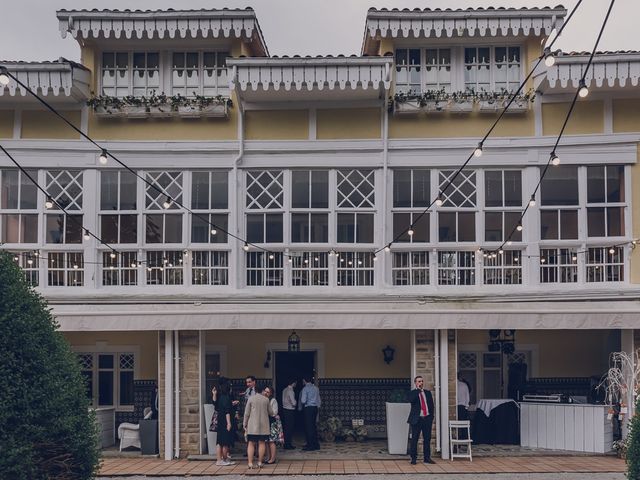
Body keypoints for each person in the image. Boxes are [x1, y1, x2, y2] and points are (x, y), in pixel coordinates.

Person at [243, 385, 274, 469]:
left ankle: (250, 463)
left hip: (252, 426)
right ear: (262, 391)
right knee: (262, 443)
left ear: (255, 391)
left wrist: (244, 424)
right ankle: (260, 462)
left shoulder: (251, 399)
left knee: (251, 443)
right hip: (263, 426)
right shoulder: (266, 400)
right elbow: (271, 413)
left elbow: (246, 413)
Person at [407, 375, 435, 465]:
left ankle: (427, 458)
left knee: (427, 439)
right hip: (417, 419)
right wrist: (418, 391)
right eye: (419, 381)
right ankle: (413, 458)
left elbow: (431, 406)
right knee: (415, 439)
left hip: (426, 418)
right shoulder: (412, 393)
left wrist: (431, 417)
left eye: (422, 381)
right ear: (415, 383)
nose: (421, 383)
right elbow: (411, 400)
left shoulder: (427, 393)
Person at [211, 380, 235, 466]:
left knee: (219, 441)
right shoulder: (226, 398)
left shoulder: (219, 397)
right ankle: (223, 460)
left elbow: (214, 403)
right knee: (225, 442)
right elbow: (227, 411)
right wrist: (229, 423)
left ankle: (219, 460)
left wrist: (214, 394)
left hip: (219, 420)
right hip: (225, 421)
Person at [299, 376, 320, 451]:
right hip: (315, 408)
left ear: (304, 380)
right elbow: (318, 400)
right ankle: (316, 444)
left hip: (308, 408)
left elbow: (303, 401)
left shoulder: (305, 389)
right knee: (313, 426)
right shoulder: (316, 388)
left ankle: (310, 445)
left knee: (308, 427)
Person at [263, 385, 283, 464]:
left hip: (272, 422)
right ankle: (268, 457)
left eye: (268, 392)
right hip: (265, 422)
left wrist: (267, 411)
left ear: (271, 393)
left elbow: (275, 412)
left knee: (271, 441)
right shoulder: (263, 400)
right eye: (265, 391)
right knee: (266, 441)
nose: (266, 393)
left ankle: (273, 458)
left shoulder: (273, 401)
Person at [281, 378, 297, 449]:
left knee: (286, 427)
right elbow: (293, 403)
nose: (296, 384)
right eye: (295, 383)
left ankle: (286, 443)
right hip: (290, 410)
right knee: (289, 428)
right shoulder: (291, 391)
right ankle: (288, 444)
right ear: (293, 383)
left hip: (285, 409)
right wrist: (296, 402)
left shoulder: (284, 389)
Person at [456, 372, 471, 440]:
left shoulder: (453, 385)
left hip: (455, 406)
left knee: (456, 424)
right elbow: (467, 397)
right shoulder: (464, 385)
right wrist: (466, 407)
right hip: (462, 407)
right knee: (463, 425)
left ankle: (457, 438)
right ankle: (464, 439)